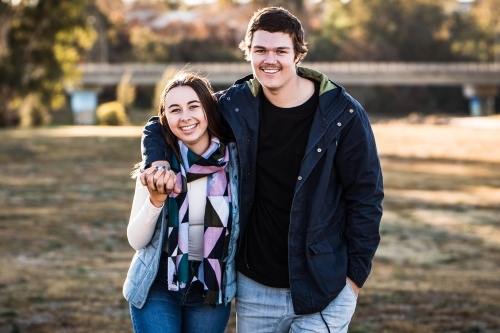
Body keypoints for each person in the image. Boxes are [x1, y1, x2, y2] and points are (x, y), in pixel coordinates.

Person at [140, 7, 384, 333]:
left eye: (281, 51)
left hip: (323, 287)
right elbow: (162, 124)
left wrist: (353, 280)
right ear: (249, 53)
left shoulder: (343, 114)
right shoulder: (236, 105)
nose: (270, 60)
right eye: (260, 51)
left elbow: (366, 198)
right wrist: (157, 163)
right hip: (255, 288)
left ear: (298, 54)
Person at [123, 70, 240, 333]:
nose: (185, 117)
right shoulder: (157, 168)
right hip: (158, 289)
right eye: (175, 110)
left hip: (210, 293)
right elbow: (136, 241)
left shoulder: (235, 165)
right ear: (166, 119)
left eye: (193, 107)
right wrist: (155, 201)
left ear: (209, 110)